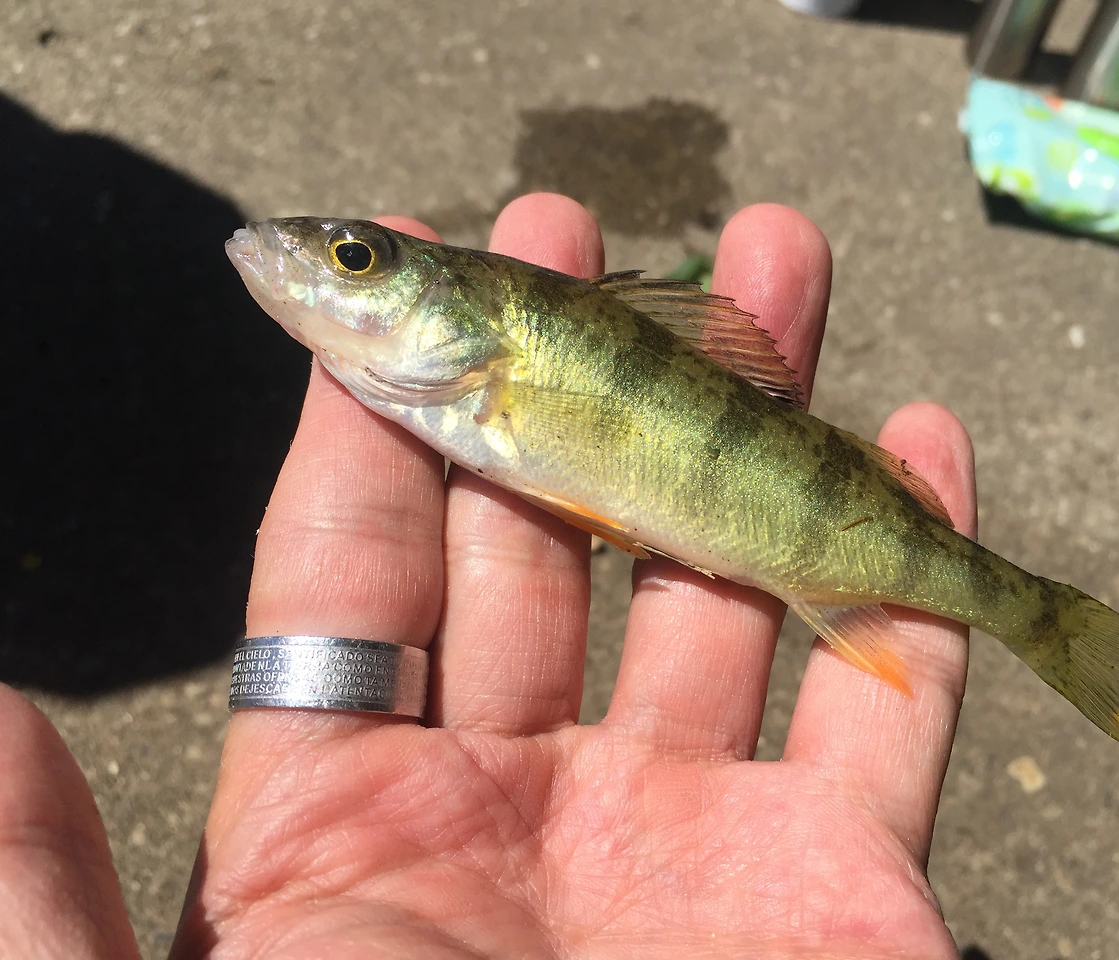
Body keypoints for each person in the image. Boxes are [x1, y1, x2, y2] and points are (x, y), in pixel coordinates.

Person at [0, 194, 977, 959]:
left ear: (467, 315)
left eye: (356, 259)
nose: (307, 255)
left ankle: (1027, 612)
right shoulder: (454, 373)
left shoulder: (502, 360)